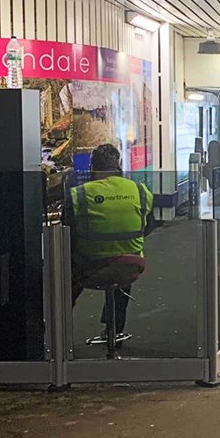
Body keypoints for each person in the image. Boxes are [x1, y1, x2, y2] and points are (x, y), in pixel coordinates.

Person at [65, 144, 154, 345]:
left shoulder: (79, 194)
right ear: (119, 165)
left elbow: (66, 233)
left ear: (92, 168)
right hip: (131, 265)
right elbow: (148, 226)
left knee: (66, 280)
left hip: (90, 267)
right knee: (120, 277)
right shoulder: (140, 190)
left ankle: (59, 330)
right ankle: (115, 330)